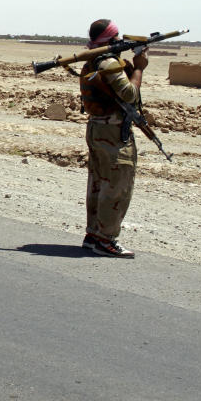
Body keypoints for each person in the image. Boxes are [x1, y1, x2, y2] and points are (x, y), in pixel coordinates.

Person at [79, 19, 148, 258]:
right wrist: (139, 67)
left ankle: (94, 234)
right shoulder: (108, 62)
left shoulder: (94, 60)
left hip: (99, 129)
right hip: (111, 133)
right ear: (110, 39)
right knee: (117, 185)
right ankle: (105, 239)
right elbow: (129, 94)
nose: (120, 40)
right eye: (116, 36)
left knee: (99, 183)